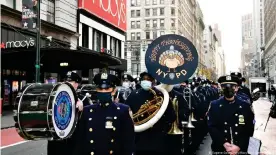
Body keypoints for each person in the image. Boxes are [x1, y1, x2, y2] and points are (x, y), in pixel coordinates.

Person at [73, 72, 135, 155]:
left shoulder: (122, 111)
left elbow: (128, 141)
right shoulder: (87, 111)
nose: (103, 91)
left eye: (107, 89)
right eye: (100, 89)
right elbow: (80, 141)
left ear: (114, 91)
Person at [124, 71, 176, 155]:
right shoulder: (133, 95)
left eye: (149, 79)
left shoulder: (161, 95)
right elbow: (126, 115)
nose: (146, 81)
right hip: (139, 140)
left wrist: (163, 127)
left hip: (158, 139)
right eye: (144, 79)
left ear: (153, 81)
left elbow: (171, 116)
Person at [207, 75, 255, 155]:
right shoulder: (214, 105)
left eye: (232, 86)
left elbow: (249, 129)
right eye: (224, 86)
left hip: (240, 149)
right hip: (220, 148)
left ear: (237, 88)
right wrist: (224, 143)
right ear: (221, 88)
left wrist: (239, 146)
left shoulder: (245, 106)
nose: (228, 89)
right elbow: (212, 127)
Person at [47, 71, 90, 155]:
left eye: (70, 81)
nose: (67, 83)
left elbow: (88, 123)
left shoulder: (84, 99)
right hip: (57, 142)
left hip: (73, 142)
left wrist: (83, 109)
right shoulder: (54, 97)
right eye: (65, 81)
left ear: (76, 84)